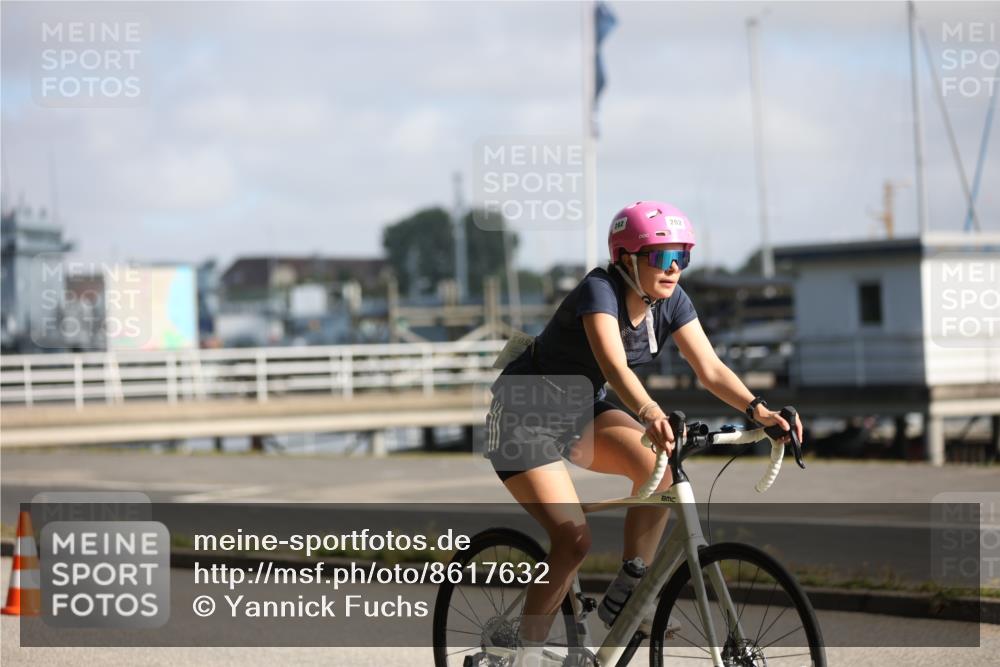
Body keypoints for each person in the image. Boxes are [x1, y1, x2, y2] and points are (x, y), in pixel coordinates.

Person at [483, 200, 804, 659]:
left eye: (682, 257)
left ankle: (629, 589)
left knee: (661, 469)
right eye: (662, 257)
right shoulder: (600, 292)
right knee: (573, 541)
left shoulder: (671, 300)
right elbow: (613, 364)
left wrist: (760, 410)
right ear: (627, 259)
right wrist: (651, 411)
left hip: (578, 410)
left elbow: (709, 368)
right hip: (521, 415)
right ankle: (525, 654)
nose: (674, 269)